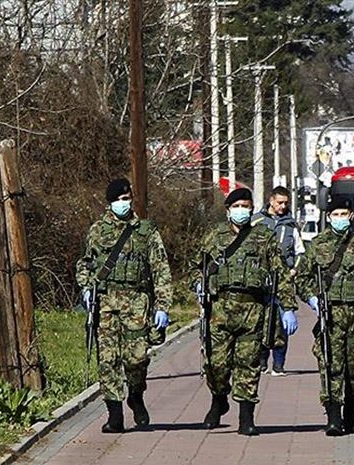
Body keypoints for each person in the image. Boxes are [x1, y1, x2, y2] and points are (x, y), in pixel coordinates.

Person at [192, 187, 299, 436]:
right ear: (228, 210)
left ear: (252, 210)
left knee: (248, 364)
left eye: (246, 206)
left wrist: (288, 307)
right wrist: (198, 283)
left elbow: (280, 273)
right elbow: (196, 267)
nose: (241, 211)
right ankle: (219, 399)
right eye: (237, 206)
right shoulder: (214, 236)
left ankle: (246, 417)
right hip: (219, 311)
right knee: (216, 365)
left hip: (252, 310)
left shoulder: (263, 237)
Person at [76, 178, 173, 433]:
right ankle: (115, 415)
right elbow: (85, 263)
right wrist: (85, 287)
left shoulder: (146, 231)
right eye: (120, 200)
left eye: (128, 199)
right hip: (106, 304)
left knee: (137, 359)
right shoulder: (98, 231)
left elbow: (160, 268)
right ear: (110, 203)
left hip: (136, 303)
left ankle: (136, 395)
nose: (125, 203)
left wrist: (162, 305)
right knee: (108, 360)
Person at [296, 195, 354, 436]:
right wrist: (312, 298)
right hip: (331, 315)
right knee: (331, 365)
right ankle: (334, 418)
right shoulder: (317, 245)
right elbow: (302, 278)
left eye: (343, 214)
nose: (340, 218)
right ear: (328, 217)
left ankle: (350, 414)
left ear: (351, 216)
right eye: (335, 215)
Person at [252, 186, 306, 376]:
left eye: (286, 203)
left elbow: (300, 252)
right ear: (271, 201)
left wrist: (293, 270)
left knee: (282, 324)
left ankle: (279, 364)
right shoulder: (256, 221)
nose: (283, 206)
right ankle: (261, 362)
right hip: (260, 281)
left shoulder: (290, 225)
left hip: (284, 280)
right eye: (279, 202)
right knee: (260, 321)